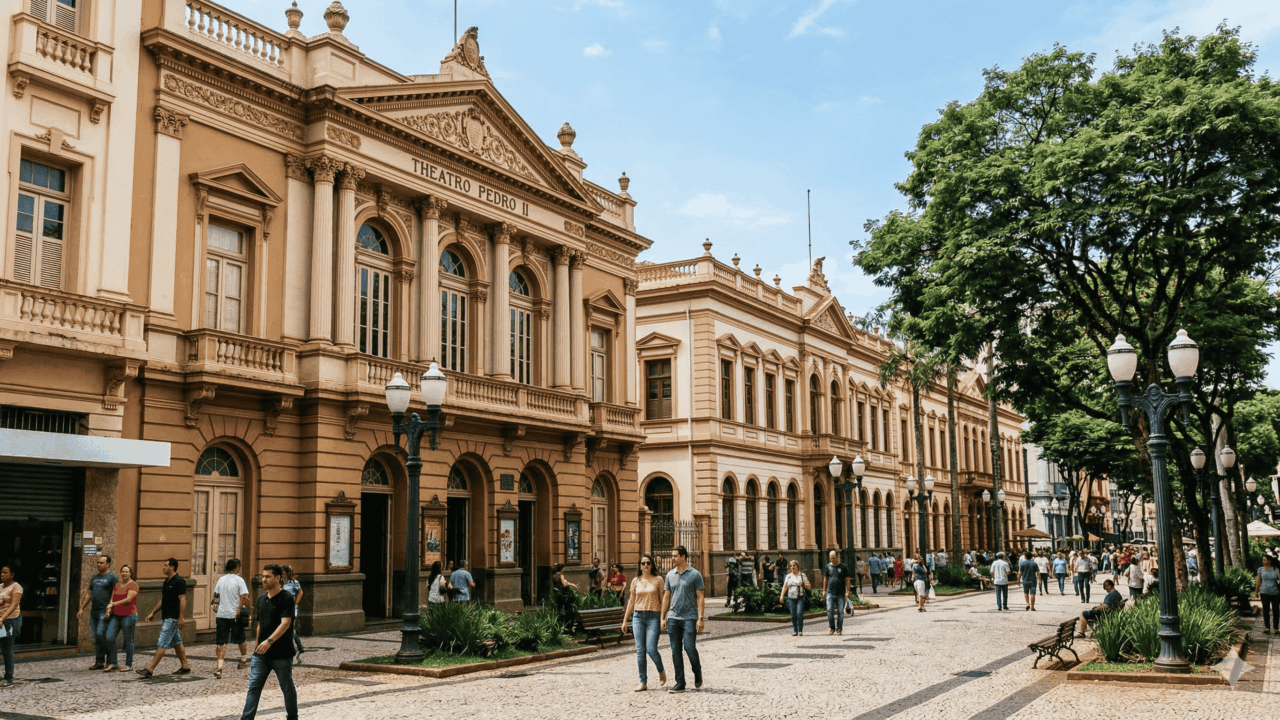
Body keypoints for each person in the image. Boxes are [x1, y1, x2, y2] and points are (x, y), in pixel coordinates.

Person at [240, 565, 298, 720]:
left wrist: (269, 641)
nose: (263, 579)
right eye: (263, 576)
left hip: (282, 653)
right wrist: (257, 644)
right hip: (261, 655)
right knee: (253, 688)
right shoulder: (261, 598)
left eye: (267, 577)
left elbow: (285, 623)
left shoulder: (286, 598)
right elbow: (260, 624)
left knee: (287, 687)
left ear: (278, 578)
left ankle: (292, 717)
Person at [660, 545, 705, 693]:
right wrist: (663, 617)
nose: (672, 558)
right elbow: (666, 597)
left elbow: (700, 597)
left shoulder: (695, 574)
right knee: (675, 650)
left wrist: (700, 618)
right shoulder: (670, 575)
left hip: (689, 617)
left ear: (683, 557)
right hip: (673, 617)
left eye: (674, 556)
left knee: (690, 648)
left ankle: (697, 671)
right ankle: (680, 682)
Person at [138, 558, 191, 677]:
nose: (163, 567)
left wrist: (181, 618)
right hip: (166, 616)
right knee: (177, 642)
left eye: (165, 565)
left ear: (172, 567)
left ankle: (150, 669)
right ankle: (185, 666)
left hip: (172, 618)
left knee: (162, 642)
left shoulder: (179, 581)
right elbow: (163, 599)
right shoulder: (166, 581)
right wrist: (153, 613)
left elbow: (182, 599)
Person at [621, 554, 665, 691]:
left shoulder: (658, 580)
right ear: (639, 566)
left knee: (651, 649)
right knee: (640, 650)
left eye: (648, 563)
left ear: (652, 565)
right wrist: (625, 620)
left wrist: (663, 617)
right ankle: (643, 681)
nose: (645, 565)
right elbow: (631, 601)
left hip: (653, 616)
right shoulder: (636, 580)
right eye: (643, 563)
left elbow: (663, 600)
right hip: (638, 617)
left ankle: (661, 670)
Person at [209, 558, 251, 679]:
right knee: (240, 638)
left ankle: (219, 668)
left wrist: (216, 604)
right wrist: (241, 608)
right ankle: (243, 659)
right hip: (235, 615)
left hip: (222, 615)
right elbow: (244, 596)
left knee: (221, 642)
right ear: (237, 567)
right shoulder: (239, 580)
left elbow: (214, 597)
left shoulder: (221, 579)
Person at [77, 554, 119, 670]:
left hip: (104, 611)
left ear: (108, 564)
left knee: (102, 634)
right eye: (98, 562)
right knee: (96, 637)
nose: (98, 565)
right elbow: (89, 593)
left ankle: (112, 660)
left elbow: (116, 593)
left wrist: (110, 607)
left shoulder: (112, 577)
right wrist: (82, 608)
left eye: (101, 563)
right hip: (94, 611)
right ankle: (99, 661)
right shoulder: (95, 577)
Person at [104, 564, 140, 673]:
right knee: (109, 637)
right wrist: (108, 611)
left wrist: (113, 604)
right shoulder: (117, 585)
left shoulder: (133, 585)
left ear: (130, 573)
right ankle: (113, 662)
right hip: (116, 615)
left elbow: (128, 600)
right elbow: (111, 599)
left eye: (126, 572)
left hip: (129, 615)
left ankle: (128, 664)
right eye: (122, 571)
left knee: (128, 640)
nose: (124, 573)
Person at [0, 566, 22, 687]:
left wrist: (3, 619)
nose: (2, 574)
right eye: (1, 573)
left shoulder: (16, 587)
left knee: (7, 649)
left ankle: (8, 677)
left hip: (10, 620)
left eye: (5, 572)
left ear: (12, 574)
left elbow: (13, 605)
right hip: (0, 620)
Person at [777, 559, 811, 636]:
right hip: (791, 598)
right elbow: (785, 587)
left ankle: (800, 630)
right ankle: (795, 630)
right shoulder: (788, 576)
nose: (792, 567)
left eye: (794, 565)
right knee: (793, 615)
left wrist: (803, 584)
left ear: (797, 566)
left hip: (800, 597)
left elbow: (809, 586)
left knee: (799, 613)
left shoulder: (802, 575)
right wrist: (781, 596)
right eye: (791, 566)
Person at [823, 550, 853, 634]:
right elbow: (825, 578)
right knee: (829, 610)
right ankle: (832, 627)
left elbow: (847, 579)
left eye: (833, 558)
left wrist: (848, 591)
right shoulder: (828, 567)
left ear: (838, 557)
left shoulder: (843, 567)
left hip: (840, 593)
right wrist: (824, 590)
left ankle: (839, 628)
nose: (832, 560)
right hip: (830, 592)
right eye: (830, 558)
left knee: (840, 611)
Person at [281, 565, 305, 662]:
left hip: (291, 609)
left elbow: (300, 592)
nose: (282, 575)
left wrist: (295, 603)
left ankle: (299, 647)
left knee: (290, 628)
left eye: (284, 574)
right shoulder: (280, 582)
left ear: (288, 573)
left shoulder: (293, 583)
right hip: (282, 609)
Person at [1259, 555, 1280, 634]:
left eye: (1264, 560)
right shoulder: (1260, 569)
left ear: (1269, 561)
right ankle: (1267, 627)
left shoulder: (1276, 570)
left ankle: (1276, 628)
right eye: (1263, 560)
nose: (1263, 561)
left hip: (1275, 593)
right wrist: (1256, 590)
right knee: (1265, 610)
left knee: (1276, 610)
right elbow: (1258, 580)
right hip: (1264, 592)